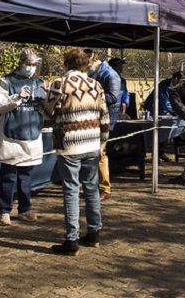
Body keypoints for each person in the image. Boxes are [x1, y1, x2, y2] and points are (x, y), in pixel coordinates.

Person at [46, 48, 111, 255]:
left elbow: (47, 111)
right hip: (92, 144)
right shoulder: (96, 85)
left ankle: (71, 240)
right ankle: (94, 232)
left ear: (66, 64)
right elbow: (105, 117)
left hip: (70, 144)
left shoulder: (60, 84)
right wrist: (102, 143)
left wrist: (45, 95)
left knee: (71, 190)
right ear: (86, 65)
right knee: (91, 189)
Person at [0, 49, 47, 226]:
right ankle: (4, 210)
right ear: (21, 63)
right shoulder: (6, 81)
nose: (31, 68)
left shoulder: (40, 83)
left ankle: (25, 209)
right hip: (10, 135)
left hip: (31, 133)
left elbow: (47, 109)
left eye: (34, 65)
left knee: (26, 175)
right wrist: (16, 98)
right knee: (8, 175)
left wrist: (52, 96)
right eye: (28, 64)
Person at [86, 49, 121, 202]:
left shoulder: (111, 74)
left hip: (105, 120)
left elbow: (113, 97)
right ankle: (93, 185)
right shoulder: (94, 73)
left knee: (101, 153)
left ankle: (105, 188)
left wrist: (91, 96)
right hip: (93, 118)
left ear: (93, 60)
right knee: (93, 153)